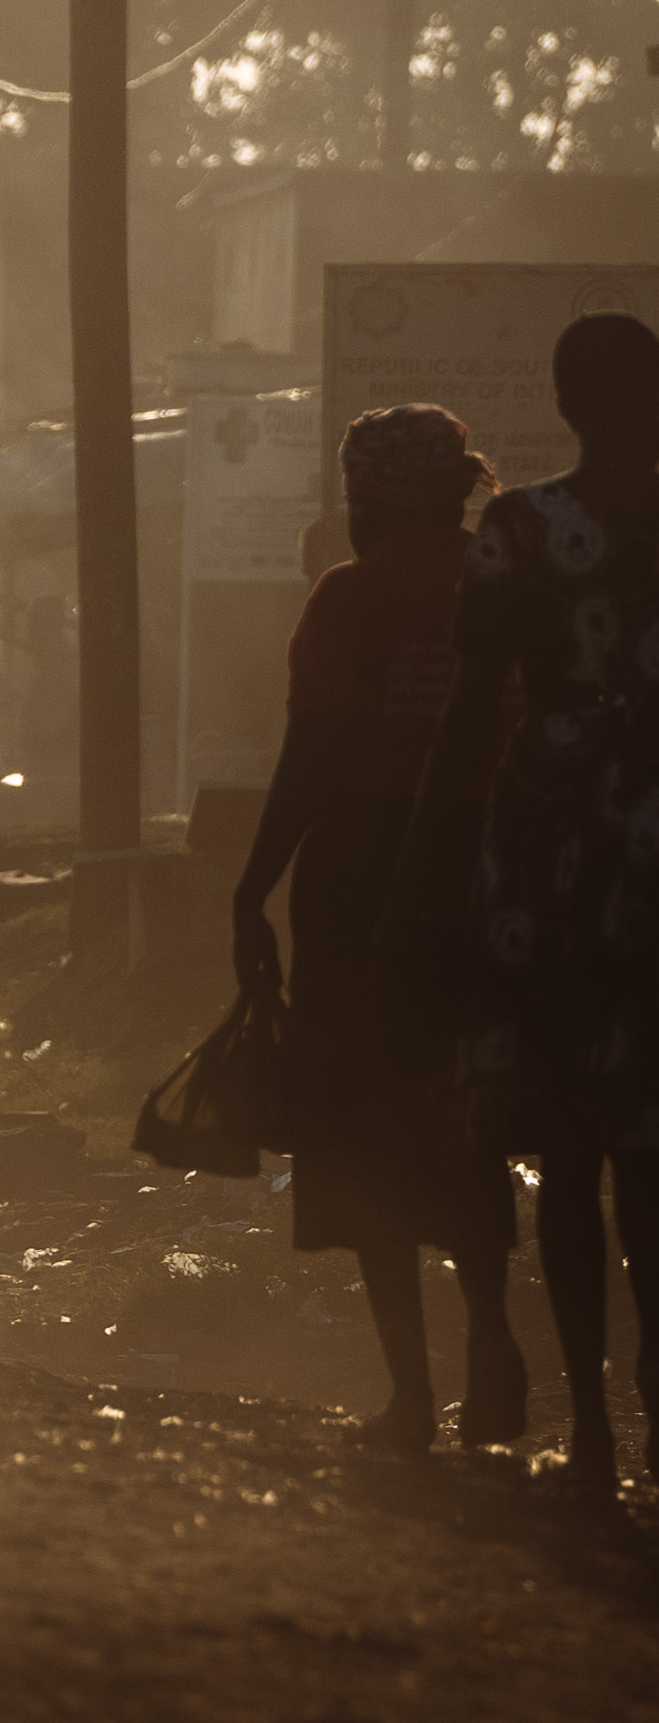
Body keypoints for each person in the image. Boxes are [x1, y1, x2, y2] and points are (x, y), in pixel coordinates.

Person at [400, 311, 659, 1497]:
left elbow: (469, 717)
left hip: (550, 846)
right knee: (652, 1151)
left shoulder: (515, 531)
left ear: (563, 405)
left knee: (565, 1136)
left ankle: (595, 1426)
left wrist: (427, 864)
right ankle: (656, 1398)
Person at [235, 403, 524, 1456]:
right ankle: (494, 1343)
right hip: (489, 878)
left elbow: (315, 754)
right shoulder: (509, 579)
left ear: (373, 496)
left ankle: (412, 1397)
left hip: (361, 886)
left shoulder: (351, 598)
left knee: (363, 1133)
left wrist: (251, 885)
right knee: (466, 1119)